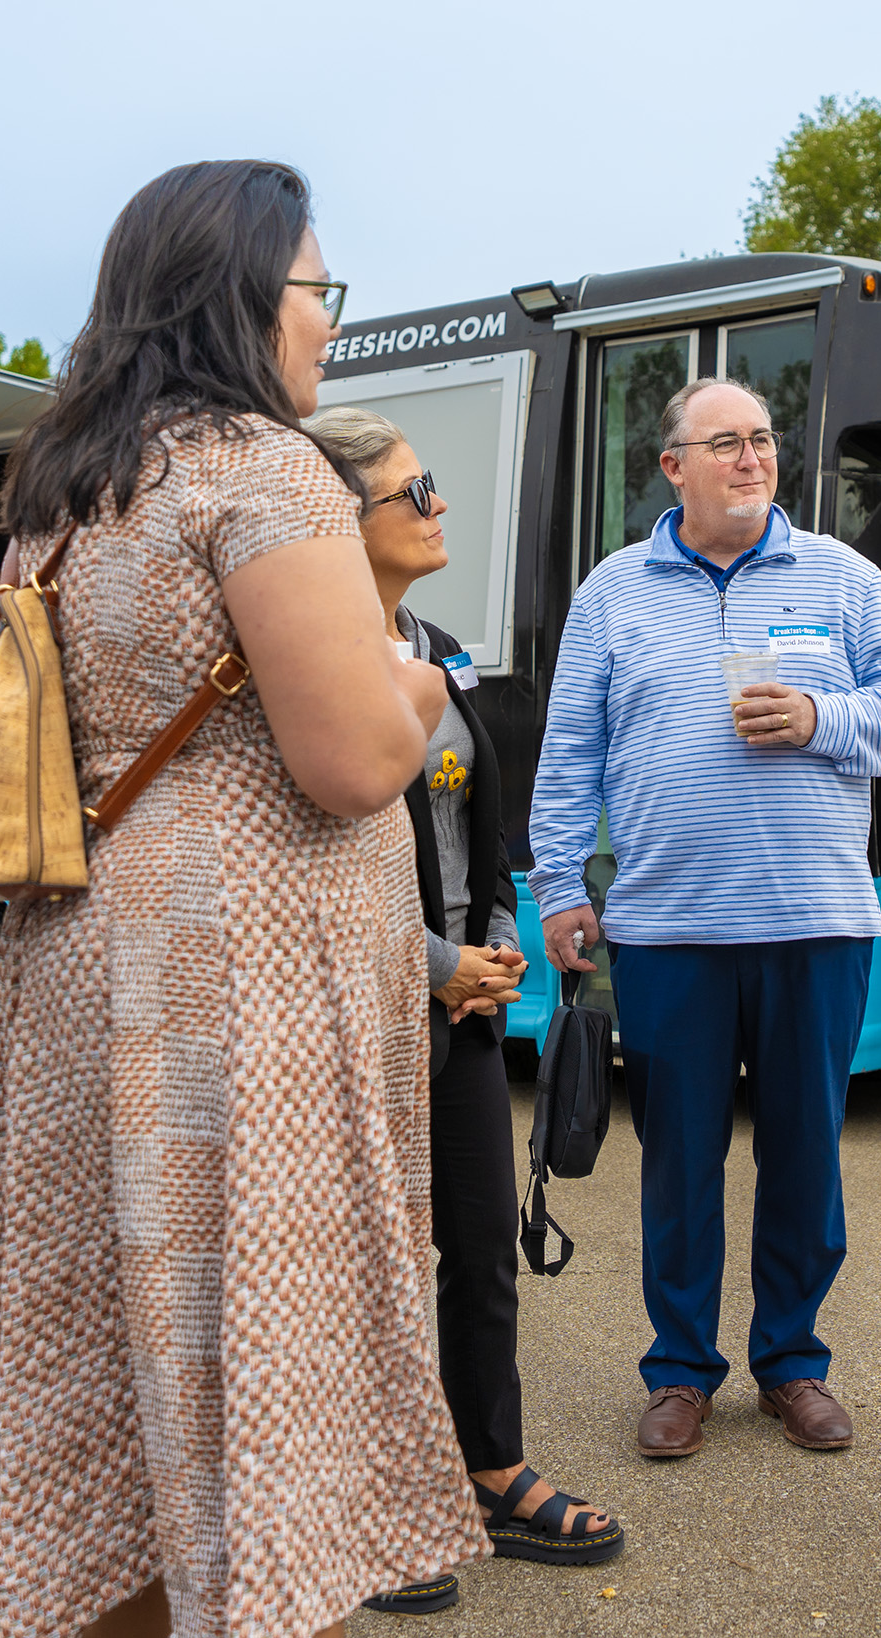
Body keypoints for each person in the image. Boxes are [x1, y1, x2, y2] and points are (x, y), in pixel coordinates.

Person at [0, 161, 487, 1638]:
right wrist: (420, 689)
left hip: (83, 954)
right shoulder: (263, 468)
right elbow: (351, 760)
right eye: (319, 290)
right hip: (235, 977)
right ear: (246, 293)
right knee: (264, 1343)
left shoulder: (67, 485)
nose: (329, 320)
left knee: (115, 1353)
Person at [527, 378, 881, 1459]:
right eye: (725, 443)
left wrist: (816, 716)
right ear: (673, 467)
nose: (752, 458)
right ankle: (679, 1371)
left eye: (762, 439)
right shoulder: (614, 591)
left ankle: (792, 1364)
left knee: (804, 1157)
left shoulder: (840, 576)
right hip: (668, 929)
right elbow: (570, 750)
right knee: (679, 1163)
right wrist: (559, 884)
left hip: (816, 920)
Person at [304, 406, 625, 1588]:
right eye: (412, 490)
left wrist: (492, 940)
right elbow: (313, 861)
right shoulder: (310, 659)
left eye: (431, 481)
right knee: (368, 1265)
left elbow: (475, 826)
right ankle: (368, 1505)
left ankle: (490, 1471)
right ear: (340, 520)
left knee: (482, 1248)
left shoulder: (434, 646)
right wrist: (440, 967)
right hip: (365, 1009)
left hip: (460, 1004)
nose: (439, 505)